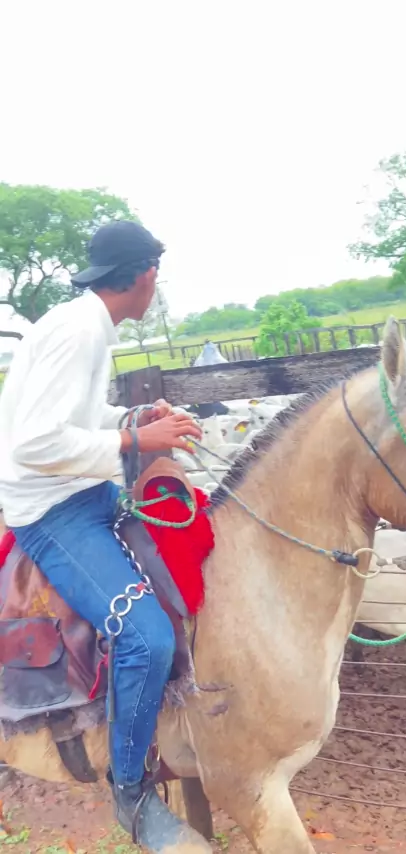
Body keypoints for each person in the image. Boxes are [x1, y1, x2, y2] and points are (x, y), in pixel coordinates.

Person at [0, 220, 206, 848]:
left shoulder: (87, 324)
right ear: (145, 275)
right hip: (53, 510)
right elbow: (35, 443)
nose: (156, 286)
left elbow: (81, 420)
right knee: (146, 635)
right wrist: (136, 438)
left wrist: (137, 416)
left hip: (86, 491)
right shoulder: (78, 332)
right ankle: (131, 791)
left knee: (196, 550)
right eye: (156, 277)